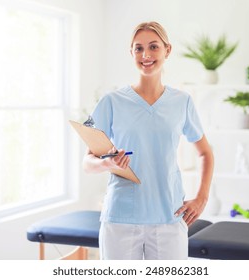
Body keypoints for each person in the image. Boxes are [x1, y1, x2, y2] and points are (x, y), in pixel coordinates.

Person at [83, 21, 214, 260]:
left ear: (167, 50)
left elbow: (205, 153)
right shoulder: (111, 101)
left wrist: (202, 198)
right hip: (120, 218)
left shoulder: (182, 101)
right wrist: (107, 164)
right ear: (131, 52)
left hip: (169, 217)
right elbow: (87, 162)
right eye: (138, 48)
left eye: (153, 47)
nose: (146, 55)